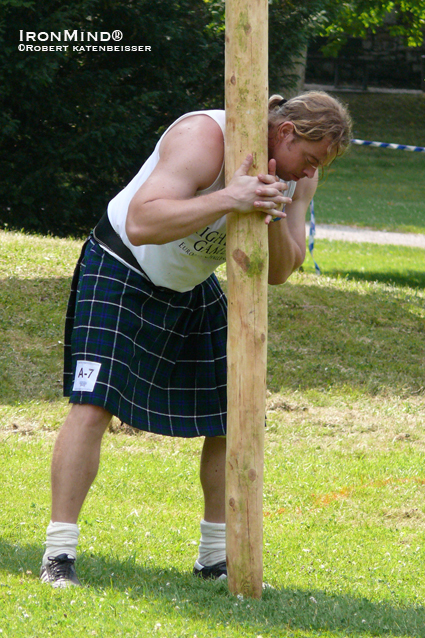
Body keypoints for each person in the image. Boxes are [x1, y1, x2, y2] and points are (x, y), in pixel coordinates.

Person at [40, 91, 352, 587]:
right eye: (309, 160)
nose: (309, 174)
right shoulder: (205, 136)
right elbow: (144, 223)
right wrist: (233, 196)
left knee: (233, 409)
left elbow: (281, 271)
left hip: (188, 284)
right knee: (93, 404)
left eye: (318, 167)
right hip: (122, 265)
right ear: (287, 132)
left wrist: (270, 206)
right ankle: (59, 556)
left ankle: (214, 559)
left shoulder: (298, 178)